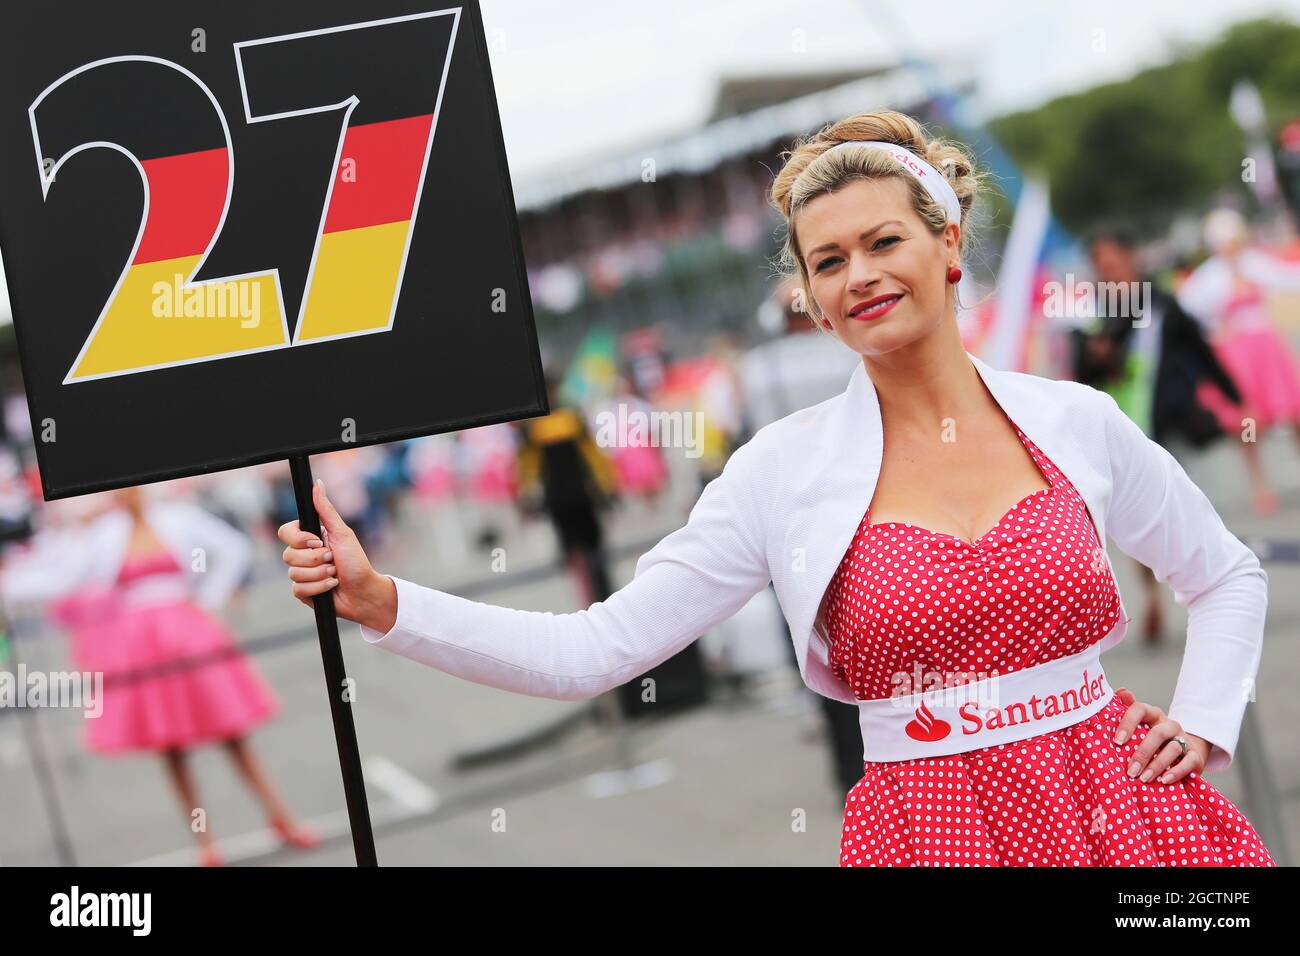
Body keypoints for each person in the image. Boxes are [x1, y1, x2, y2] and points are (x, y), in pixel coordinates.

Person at [277, 110, 1274, 867]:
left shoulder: (1073, 419)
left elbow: (1225, 574)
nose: (859, 276)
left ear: (948, 244)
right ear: (810, 298)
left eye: (884, 242)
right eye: (826, 262)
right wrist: (381, 601)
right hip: (930, 830)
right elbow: (595, 648)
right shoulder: (777, 473)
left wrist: (1203, 719)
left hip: (1130, 809)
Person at [1, 486, 319, 866]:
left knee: (233, 735)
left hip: (189, 637)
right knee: (172, 749)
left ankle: (281, 819)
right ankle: (206, 844)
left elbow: (233, 547)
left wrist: (207, 599)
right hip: (141, 648)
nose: (123, 494)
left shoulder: (177, 517)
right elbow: (62, 579)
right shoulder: (103, 534)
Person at [1080, 225, 1247, 644]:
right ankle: (1152, 594)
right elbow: (1082, 377)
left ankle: (1213, 593)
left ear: (1131, 259)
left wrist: (1236, 399)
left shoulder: (1163, 304)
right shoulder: (1094, 317)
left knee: (1196, 506)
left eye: (1113, 262)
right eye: (1101, 266)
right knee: (1136, 519)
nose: (1108, 271)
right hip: (1127, 431)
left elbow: (1200, 352)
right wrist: (1097, 357)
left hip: (1175, 421)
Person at [1175, 207, 1300, 514]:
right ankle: (1260, 485)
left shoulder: (1254, 263)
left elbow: (1288, 278)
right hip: (1237, 356)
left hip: (1266, 349)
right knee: (1247, 423)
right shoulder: (1209, 276)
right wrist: (1214, 331)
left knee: (1294, 413)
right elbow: (1187, 313)